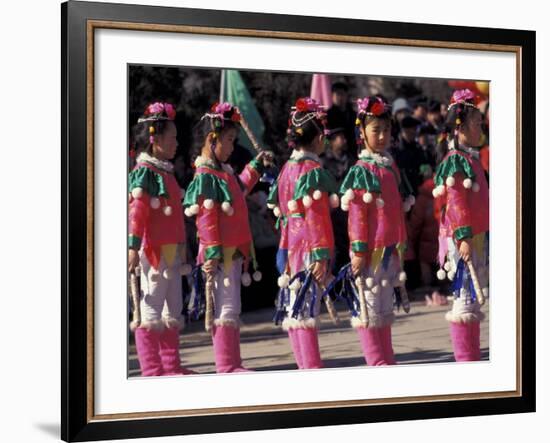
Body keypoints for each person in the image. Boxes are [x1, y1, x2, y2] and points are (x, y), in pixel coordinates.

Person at [183, 101, 273, 373]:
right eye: (230, 140)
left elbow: (241, 187)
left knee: (231, 305)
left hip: (232, 251)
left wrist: (257, 165)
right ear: (212, 140)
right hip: (219, 253)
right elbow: (207, 218)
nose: (233, 147)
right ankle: (226, 364)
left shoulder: (224, 172)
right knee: (225, 307)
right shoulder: (206, 175)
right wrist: (211, 253)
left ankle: (233, 363)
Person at [339, 96, 413, 366]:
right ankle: (376, 362)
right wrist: (358, 249)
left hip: (390, 248)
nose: (382, 136)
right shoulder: (362, 170)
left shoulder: (389, 165)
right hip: (370, 251)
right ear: (361, 132)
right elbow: (357, 215)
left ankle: (387, 360)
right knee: (370, 308)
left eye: (386, 130)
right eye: (375, 130)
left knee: (383, 307)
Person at [267, 97, 340, 369]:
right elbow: (317, 216)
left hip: (289, 248)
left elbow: (279, 209)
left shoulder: (287, 169)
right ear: (319, 138)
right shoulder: (312, 171)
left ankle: (304, 366)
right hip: (309, 248)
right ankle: (311, 367)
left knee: (296, 309)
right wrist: (322, 255)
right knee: (306, 309)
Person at [128, 102, 195, 376]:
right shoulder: (145, 172)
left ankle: (171, 366)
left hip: (171, 250)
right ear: (155, 140)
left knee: (172, 307)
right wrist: (132, 247)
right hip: (153, 249)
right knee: (152, 306)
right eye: (173, 137)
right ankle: (152, 369)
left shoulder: (164, 171)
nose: (177, 143)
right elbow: (137, 211)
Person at [433, 89, 489, 362]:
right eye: (477, 122)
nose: (482, 126)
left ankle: (472, 359)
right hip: (463, 240)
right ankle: (466, 360)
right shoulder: (456, 161)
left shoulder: (470, 159)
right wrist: (464, 237)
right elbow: (455, 203)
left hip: (476, 237)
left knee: (473, 303)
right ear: (461, 127)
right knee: (465, 301)